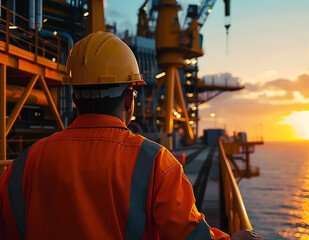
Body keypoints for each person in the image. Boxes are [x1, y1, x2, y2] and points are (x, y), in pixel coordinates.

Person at [0, 31, 263, 240]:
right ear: (129, 100)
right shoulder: (156, 162)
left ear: (73, 98)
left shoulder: (25, 162)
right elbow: (190, 235)